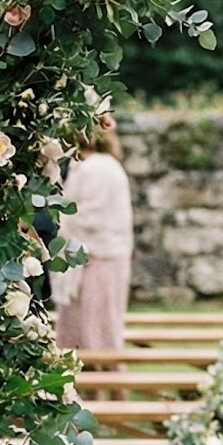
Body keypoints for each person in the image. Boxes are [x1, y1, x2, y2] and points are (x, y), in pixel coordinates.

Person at [53, 116, 134, 352]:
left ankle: (108, 386)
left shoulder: (94, 168)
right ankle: (98, 388)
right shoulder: (106, 166)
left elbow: (83, 214)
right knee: (96, 330)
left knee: (96, 332)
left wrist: (63, 221)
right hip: (104, 258)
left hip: (98, 259)